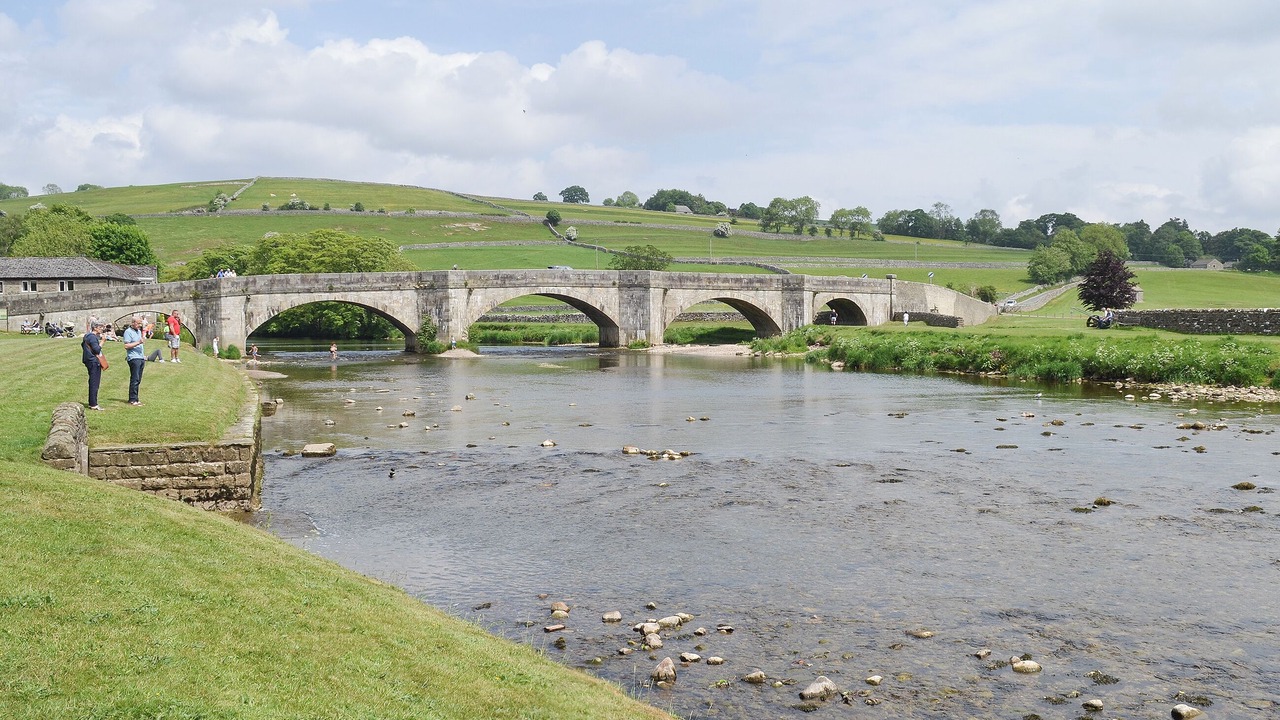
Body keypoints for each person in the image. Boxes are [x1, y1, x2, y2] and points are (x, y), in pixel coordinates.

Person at [82, 320, 107, 410]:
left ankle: (92, 402)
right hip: (94, 361)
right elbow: (96, 349)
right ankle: (93, 404)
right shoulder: (92, 337)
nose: (102, 329)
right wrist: (103, 341)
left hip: (89, 360)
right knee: (94, 382)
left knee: (93, 381)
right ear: (95, 328)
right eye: (100, 327)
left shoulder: (87, 336)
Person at [123, 314, 147, 406]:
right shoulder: (128, 332)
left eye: (140, 324)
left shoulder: (138, 331)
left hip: (140, 357)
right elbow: (126, 346)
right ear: (133, 323)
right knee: (135, 378)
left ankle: (136, 398)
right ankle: (132, 399)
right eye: (138, 323)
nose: (140, 325)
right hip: (133, 358)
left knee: (139, 379)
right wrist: (138, 342)